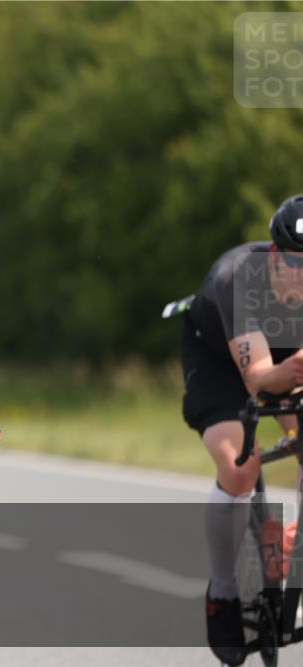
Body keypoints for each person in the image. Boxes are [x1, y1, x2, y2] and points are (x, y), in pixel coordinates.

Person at [180, 193, 303, 665]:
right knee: (240, 466)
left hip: (287, 357)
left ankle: (292, 544)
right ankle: (224, 590)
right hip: (221, 362)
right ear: (273, 256)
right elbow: (259, 380)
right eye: (295, 263)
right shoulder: (237, 280)